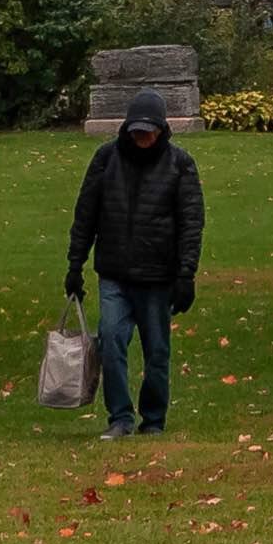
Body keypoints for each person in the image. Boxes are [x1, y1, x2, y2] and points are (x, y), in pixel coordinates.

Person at [67, 88, 206, 438]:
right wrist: (75, 265)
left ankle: (154, 420)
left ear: (161, 130)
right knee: (110, 341)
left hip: (158, 276)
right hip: (114, 272)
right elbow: (86, 214)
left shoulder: (180, 164)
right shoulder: (105, 159)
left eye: (148, 131)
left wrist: (186, 273)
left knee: (156, 352)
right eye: (136, 131)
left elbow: (192, 223)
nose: (142, 138)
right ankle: (120, 417)